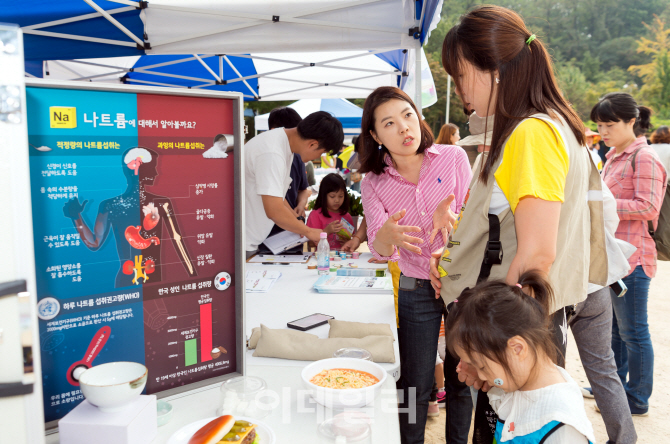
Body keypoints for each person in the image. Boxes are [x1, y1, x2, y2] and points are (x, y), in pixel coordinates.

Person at [432, 6, 608, 443]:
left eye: (461, 75)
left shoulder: (531, 132)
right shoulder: (551, 124)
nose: (461, 89)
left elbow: (535, 256)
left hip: (516, 335)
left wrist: (487, 348)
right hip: (520, 333)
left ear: (494, 70)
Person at [359, 86, 472, 444]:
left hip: (460, 284)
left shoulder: (453, 157)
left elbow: (475, 219)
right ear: (376, 136)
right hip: (414, 289)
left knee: (462, 377)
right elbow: (378, 249)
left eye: (408, 115)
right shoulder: (373, 181)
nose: (404, 128)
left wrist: (454, 217)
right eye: (389, 123)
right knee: (414, 383)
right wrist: (387, 236)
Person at [447, 270, 596, 444]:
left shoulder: (561, 427)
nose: (480, 376)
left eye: (481, 366)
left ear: (517, 349)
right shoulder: (514, 385)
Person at [592, 92, 668, 417]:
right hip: (613, 257)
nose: (603, 131)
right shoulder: (613, 156)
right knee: (614, 329)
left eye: (609, 124)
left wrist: (599, 204)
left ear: (631, 122)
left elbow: (648, 206)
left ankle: (637, 397)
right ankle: (616, 387)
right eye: (600, 125)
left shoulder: (645, 157)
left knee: (634, 331)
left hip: (634, 259)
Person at [244, 111, 343, 257]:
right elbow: (274, 210)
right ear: (312, 144)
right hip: (243, 242)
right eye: (322, 152)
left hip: (251, 241)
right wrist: (308, 231)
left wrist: (299, 225)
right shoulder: (272, 153)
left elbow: (278, 197)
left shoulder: (283, 144)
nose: (318, 157)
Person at [264, 108, 311, 245]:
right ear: (274, 130)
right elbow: (276, 200)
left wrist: (301, 204)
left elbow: (303, 188)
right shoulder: (268, 157)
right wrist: (298, 222)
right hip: (267, 234)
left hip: (292, 233)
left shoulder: (296, 156)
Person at [306, 173, 354, 250]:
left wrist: (347, 242)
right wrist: (326, 232)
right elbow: (311, 243)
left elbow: (351, 240)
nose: (337, 200)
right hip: (323, 258)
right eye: (332, 196)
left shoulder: (347, 216)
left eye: (341, 196)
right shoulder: (315, 215)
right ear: (323, 195)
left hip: (343, 259)